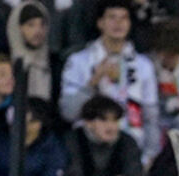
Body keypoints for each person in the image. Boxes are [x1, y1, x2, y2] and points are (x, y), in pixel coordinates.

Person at [60, 0, 161, 165]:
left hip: (131, 149)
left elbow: (151, 116)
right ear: (100, 23)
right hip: (88, 150)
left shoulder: (143, 65)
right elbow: (68, 113)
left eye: (124, 18)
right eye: (112, 17)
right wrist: (94, 81)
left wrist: (151, 154)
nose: (118, 23)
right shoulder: (79, 61)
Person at [66, 95, 146, 176]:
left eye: (115, 120)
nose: (111, 127)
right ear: (88, 123)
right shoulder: (73, 141)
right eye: (103, 120)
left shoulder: (127, 143)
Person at [6, 2, 53, 102]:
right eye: (31, 25)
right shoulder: (7, 66)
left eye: (42, 24)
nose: (38, 31)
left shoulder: (54, 63)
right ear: (19, 28)